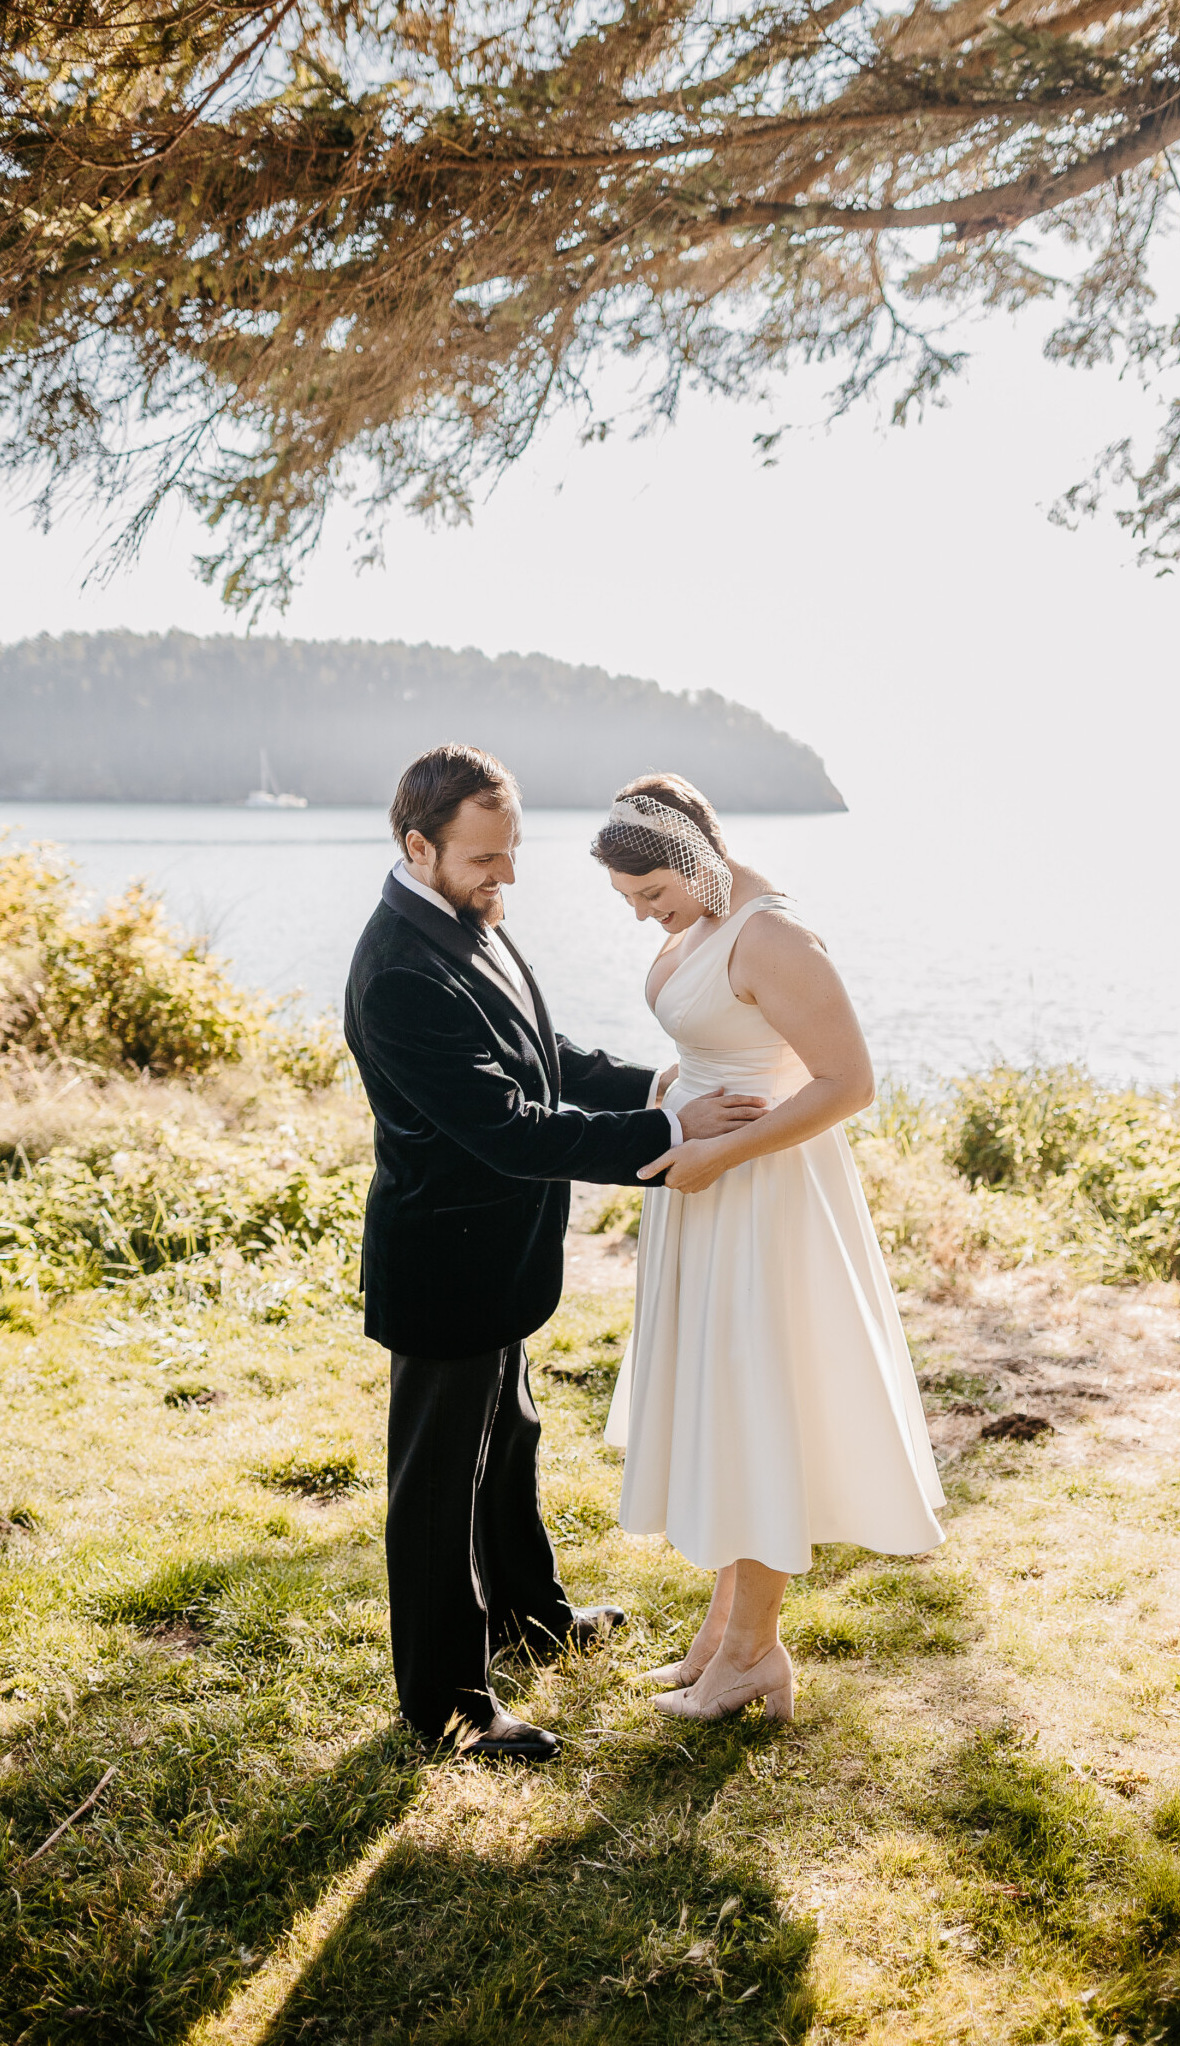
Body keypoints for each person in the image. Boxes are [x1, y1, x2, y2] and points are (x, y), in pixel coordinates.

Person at [344, 745, 768, 1761]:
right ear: (419, 845)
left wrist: (660, 1088)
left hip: (499, 1261)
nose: (509, 877)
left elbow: (549, 1057)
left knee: (512, 1443)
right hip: (445, 1268)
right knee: (439, 1489)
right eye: (488, 859)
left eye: (513, 852)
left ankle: (533, 1617)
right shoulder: (402, 970)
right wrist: (669, 1138)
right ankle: (448, 1703)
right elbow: (512, 1126)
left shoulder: (471, 922)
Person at [594, 774, 945, 1724]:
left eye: (653, 899)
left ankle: (753, 1652)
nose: (645, 919)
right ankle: (721, 1636)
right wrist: (679, 1079)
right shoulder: (705, 924)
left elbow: (847, 1082)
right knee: (722, 1408)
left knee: (757, 1411)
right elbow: (728, 1037)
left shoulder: (774, 935)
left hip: (764, 1193)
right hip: (705, 1187)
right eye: (631, 906)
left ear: (697, 859)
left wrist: (718, 1152)